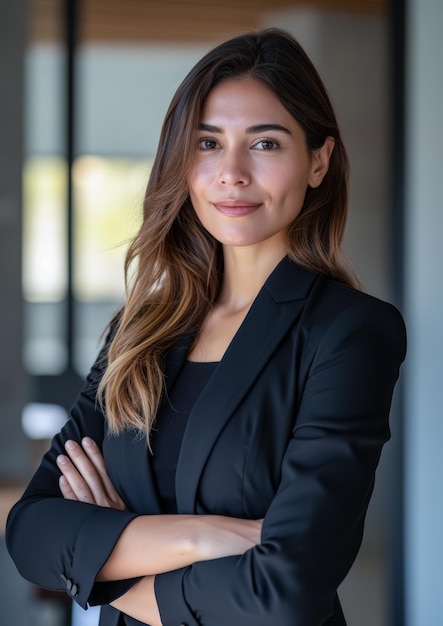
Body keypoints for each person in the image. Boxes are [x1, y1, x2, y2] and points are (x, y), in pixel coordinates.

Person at [6, 28, 406, 626]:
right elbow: (31, 533)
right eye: (207, 142)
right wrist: (200, 537)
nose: (232, 173)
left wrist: (108, 564)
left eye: (266, 144)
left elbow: (283, 593)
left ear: (318, 161)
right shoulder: (138, 331)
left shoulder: (349, 333)